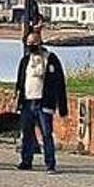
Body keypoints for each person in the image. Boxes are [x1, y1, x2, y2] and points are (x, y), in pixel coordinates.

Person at [14, 30, 69, 174]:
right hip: (27, 102)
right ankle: (26, 161)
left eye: (34, 42)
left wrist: (62, 106)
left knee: (46, 134)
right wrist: (18, 100)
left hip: (44, 103)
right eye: (29, 43)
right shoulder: (25, 60)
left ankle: (50, 164)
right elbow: (20, 82)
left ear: (41, 42)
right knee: (27, 133)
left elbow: (59, 83)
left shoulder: (50, 58)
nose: (32, 45)